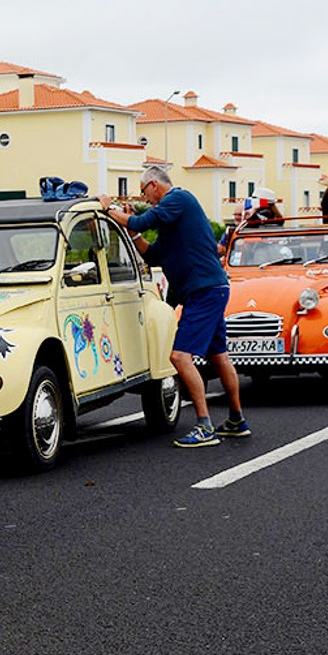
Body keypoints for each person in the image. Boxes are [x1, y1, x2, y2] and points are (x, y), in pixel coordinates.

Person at [106, 164, 247, 448]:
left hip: (203, 290)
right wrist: (132, 230)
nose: (145, 198)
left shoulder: (178, 199)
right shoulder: (174, 218)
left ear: (155, 185)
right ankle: (235, 420)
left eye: (144, 191)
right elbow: (153, 254)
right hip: (210, 289)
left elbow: (142, 222)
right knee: (219, 355)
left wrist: (110, 210)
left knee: (180, 357)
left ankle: (204, 427)